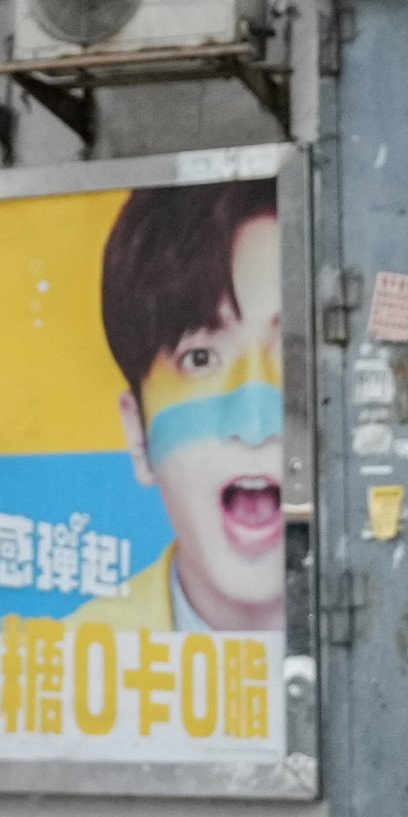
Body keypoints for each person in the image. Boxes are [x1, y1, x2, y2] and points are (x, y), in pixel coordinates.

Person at [73, 179, 289, 639]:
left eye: (292, 351)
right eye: (201, 358)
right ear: (138, 436)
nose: (254, 425)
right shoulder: (77, 670)